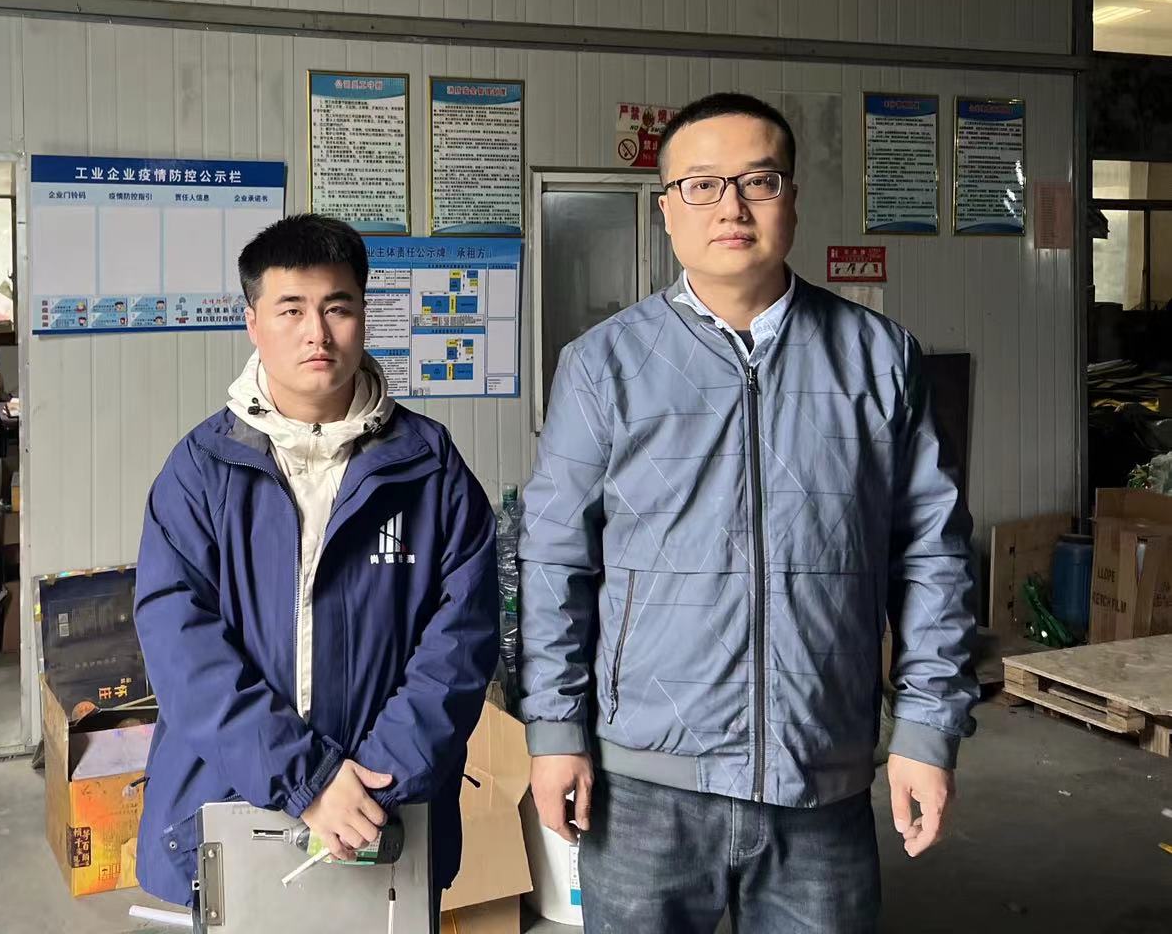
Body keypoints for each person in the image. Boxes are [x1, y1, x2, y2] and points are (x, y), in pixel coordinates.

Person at [518, 93, 978, 933]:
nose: (730, 207)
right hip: (645, 782)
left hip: (820, 773)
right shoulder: (602, 365)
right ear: (666, 210)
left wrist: (924, 726)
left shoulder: (878, 358)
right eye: (700, 185)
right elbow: (555, 561)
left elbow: (931, 555)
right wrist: (554, 729)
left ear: (791, 199)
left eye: (757, 181)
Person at [134, 213, 499, 926]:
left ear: (364, 314)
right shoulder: (201, 470)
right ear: (252, 322)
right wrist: (309, 780)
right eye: (291, 310)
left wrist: (371, 785)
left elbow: (462, 639)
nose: (317, 333)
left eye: (337, 307)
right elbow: (182, 650)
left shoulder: (429, 467)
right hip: (231, 796)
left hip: (385, 808)